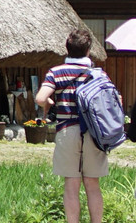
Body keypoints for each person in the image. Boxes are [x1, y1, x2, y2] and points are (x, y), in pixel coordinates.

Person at [35, 28, 106, 223]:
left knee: (71, 185)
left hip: (67, 131)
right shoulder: (97, 74)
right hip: (94, 133)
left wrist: (48, 103)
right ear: (88, 50)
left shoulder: (56, 72)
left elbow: (41, 97)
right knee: (93, 184)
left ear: (67, 49)